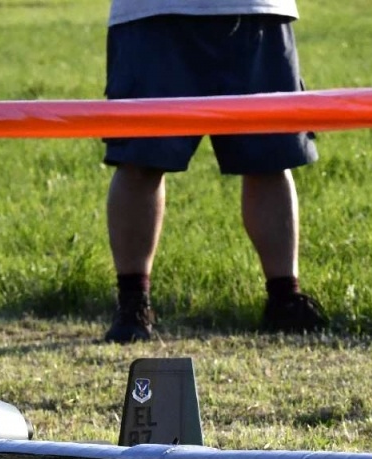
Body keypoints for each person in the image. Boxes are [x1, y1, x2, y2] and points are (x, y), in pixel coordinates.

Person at [102, 0, 328, 343]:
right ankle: (133, 303)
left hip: (255, 10)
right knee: (140, 160)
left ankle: (285, 299)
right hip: (153, 13)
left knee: (270, 159)